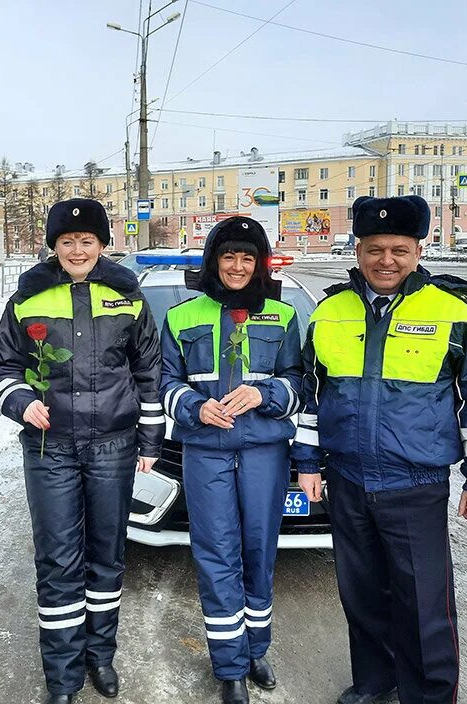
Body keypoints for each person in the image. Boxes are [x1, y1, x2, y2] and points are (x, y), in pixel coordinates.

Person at [292, 195, 467, 704]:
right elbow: (309, 394)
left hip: (414, 484)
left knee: (423, 603)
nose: (385, 260)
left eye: (398, 249)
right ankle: (375, 680)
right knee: (361, 595)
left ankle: (428, 694)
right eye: (374, 249)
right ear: (358, 249)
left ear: (417, 249)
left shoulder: (455, 312)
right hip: (346, 479)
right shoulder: (328, 312)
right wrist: (307, 462)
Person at [0, 198, 163, 704]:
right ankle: (62, 675)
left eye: (87, 241)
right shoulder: (28, 300)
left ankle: (99, 656)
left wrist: (149, 441)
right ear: (54, 246)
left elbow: (149, 374)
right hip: (50, 448)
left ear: (103, 245)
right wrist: (19, 402)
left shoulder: (127, 297)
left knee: (107, 553)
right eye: (67, 241)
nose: (78, 249)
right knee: (58, 559)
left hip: (113, 447)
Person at [159, 216, 303, 704]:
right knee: (216, 553)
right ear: (213, 262)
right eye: (228, 256)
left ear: (258, 263)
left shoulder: (282, 317)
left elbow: (298, 382)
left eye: (247, 257)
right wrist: (194, 406)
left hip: (265, 451)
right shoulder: (181, 316)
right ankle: (229, 667)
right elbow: (164, 382)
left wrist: (264, 395)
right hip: (206, 452)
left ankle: (256, 649)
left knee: (260, 551)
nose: (238, 266)